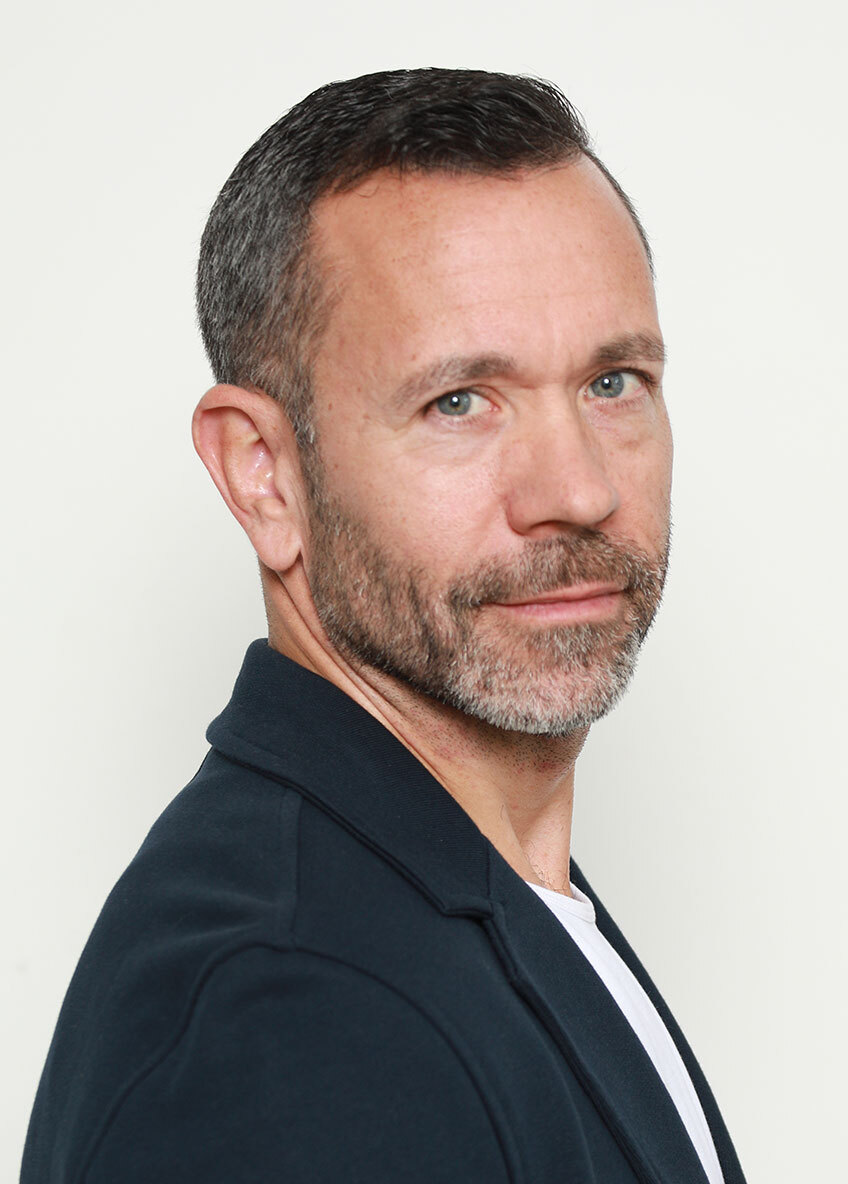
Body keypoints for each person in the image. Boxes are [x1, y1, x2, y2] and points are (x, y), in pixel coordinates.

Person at [21, 69, 747, 1183]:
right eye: (459, 401)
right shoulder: (291, 1025)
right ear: (263, 474)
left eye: (612, 381)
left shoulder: (468, 889)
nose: (578, 489)